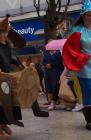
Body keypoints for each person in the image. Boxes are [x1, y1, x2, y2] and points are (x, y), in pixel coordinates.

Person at [62, 0, 91, 130]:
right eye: (88, 14)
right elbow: (70, 51)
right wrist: (66, 72)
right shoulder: (76, 30)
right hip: (84, 68)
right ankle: (89, 120)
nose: (90, 17)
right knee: (87, 95)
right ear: (83, 16)